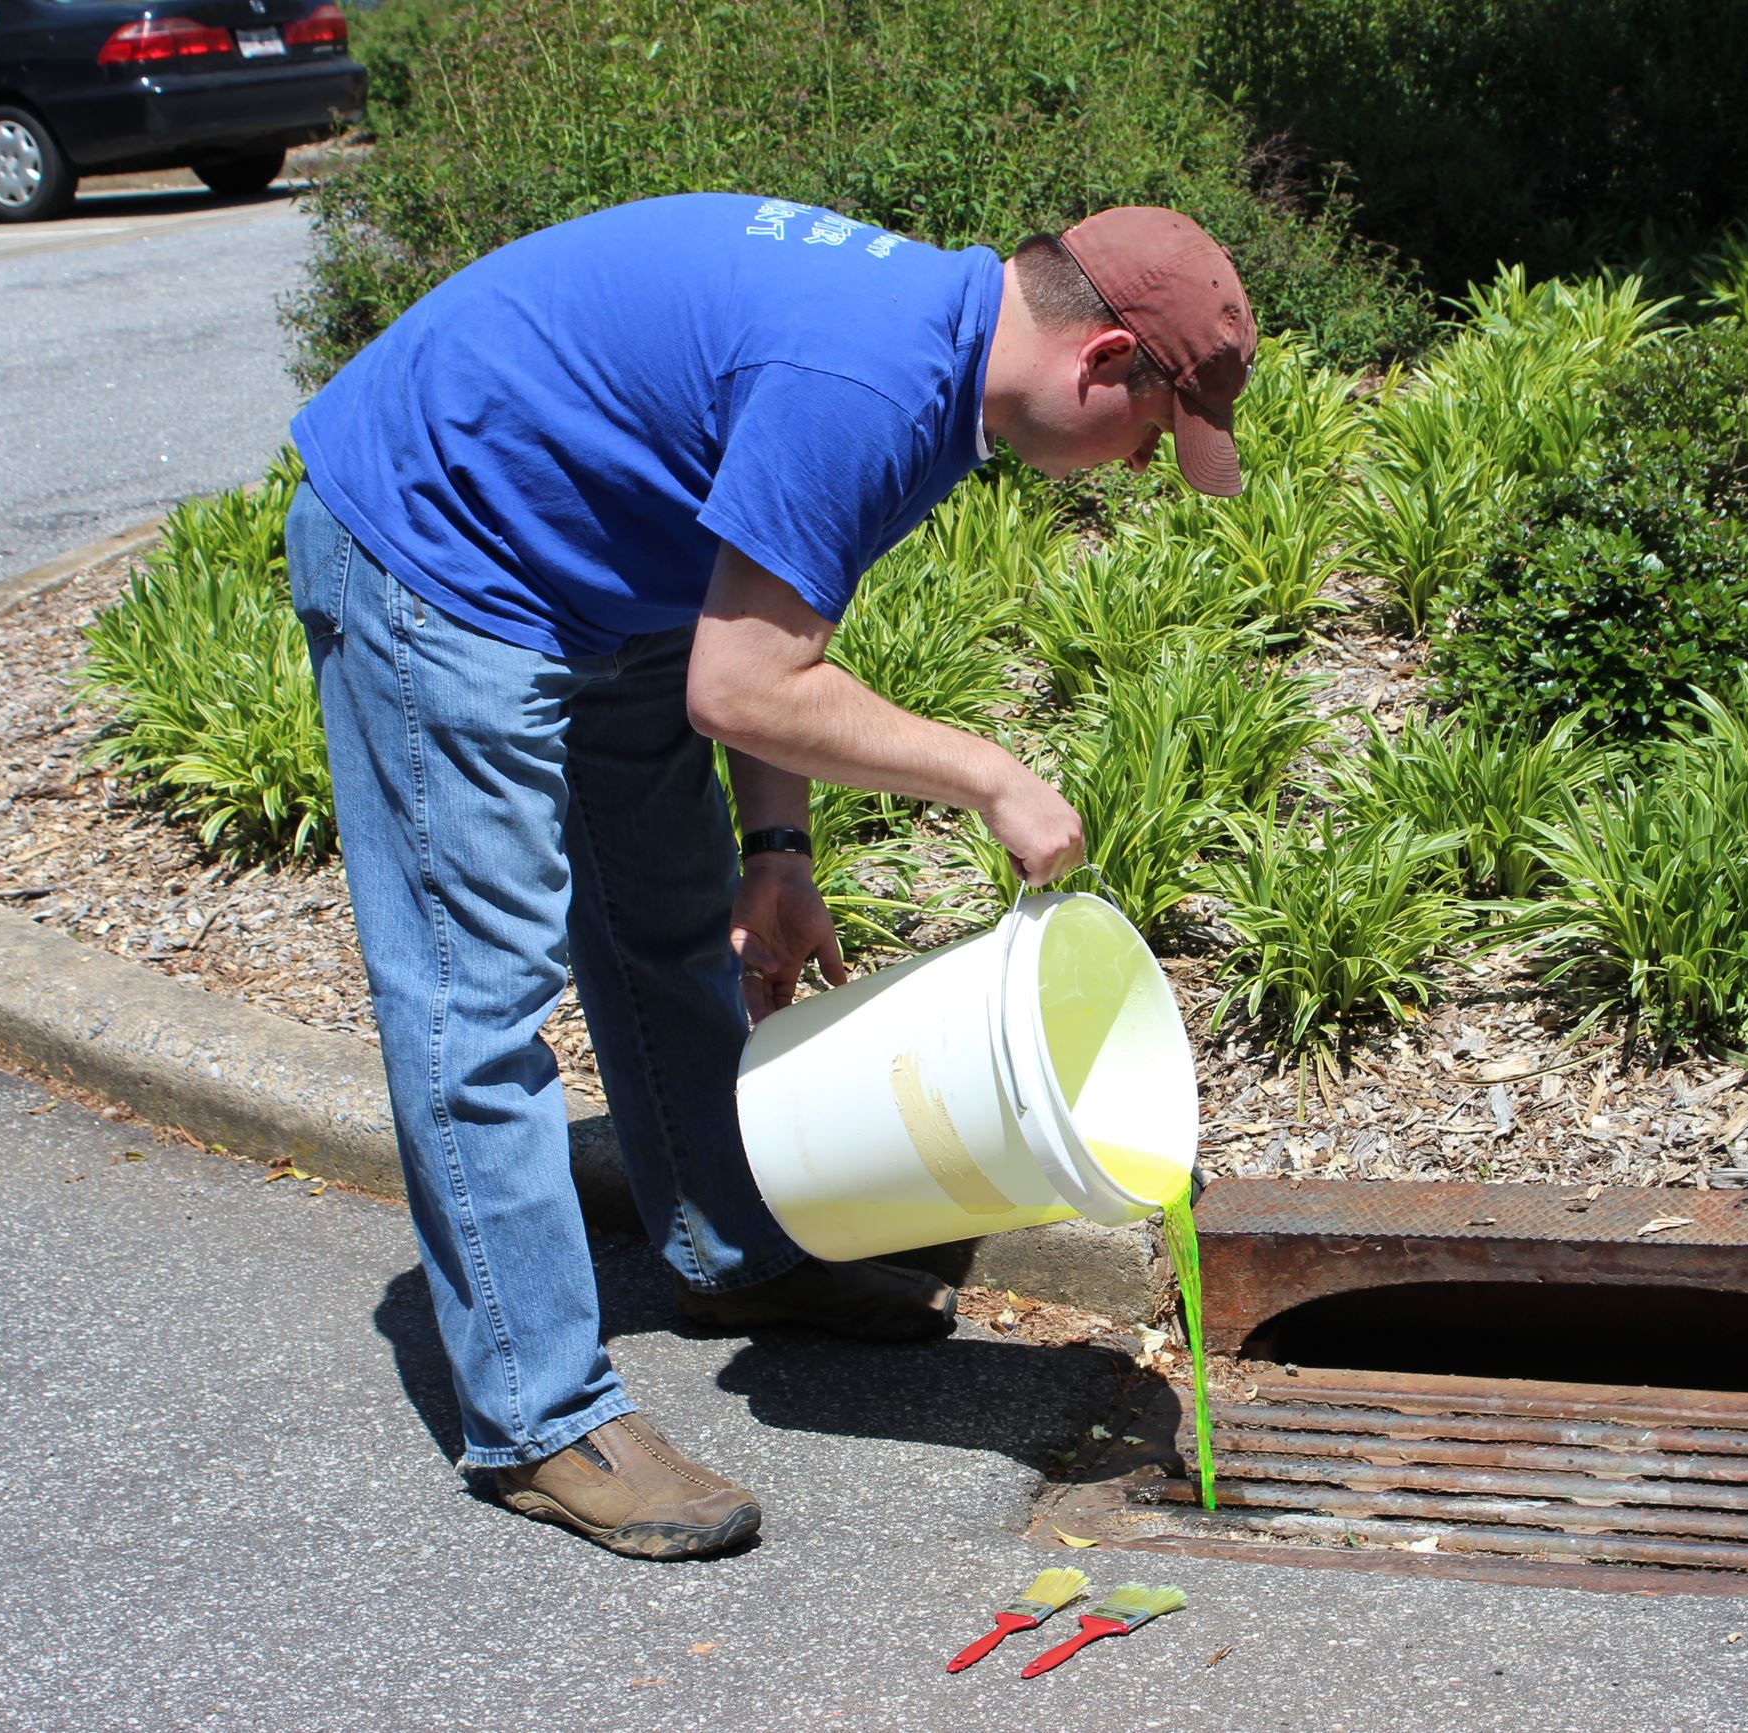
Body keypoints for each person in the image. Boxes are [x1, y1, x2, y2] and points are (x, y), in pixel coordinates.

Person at [285, 193, 1254, 1560]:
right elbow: (746, 681)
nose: (1145, 467)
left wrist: (776, 850)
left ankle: (731, 1250)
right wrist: (990, 772)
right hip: (447, 555)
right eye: (1156, 437)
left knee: (676, 932)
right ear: (1101, 362)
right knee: (477, 998)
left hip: (614, 573)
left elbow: (766, 626)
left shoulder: (943, 368)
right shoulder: (870, 382)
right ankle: (539, 1414)